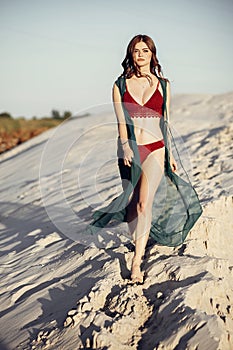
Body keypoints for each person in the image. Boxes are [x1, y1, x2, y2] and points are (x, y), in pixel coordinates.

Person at [88, 34, 202, 284]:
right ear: (131, 54)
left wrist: (169, 155)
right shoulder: (119, 85)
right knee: (131, 205)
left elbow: (166, 122)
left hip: (156, 148)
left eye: (145, 51)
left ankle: (137, 261)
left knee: (143, 204)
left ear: (152, 54)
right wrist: (125, 146)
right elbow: (120, 121)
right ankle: (136, 237)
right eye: (136, 51)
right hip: (130, 149)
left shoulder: (164, 85)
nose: (140, 55)